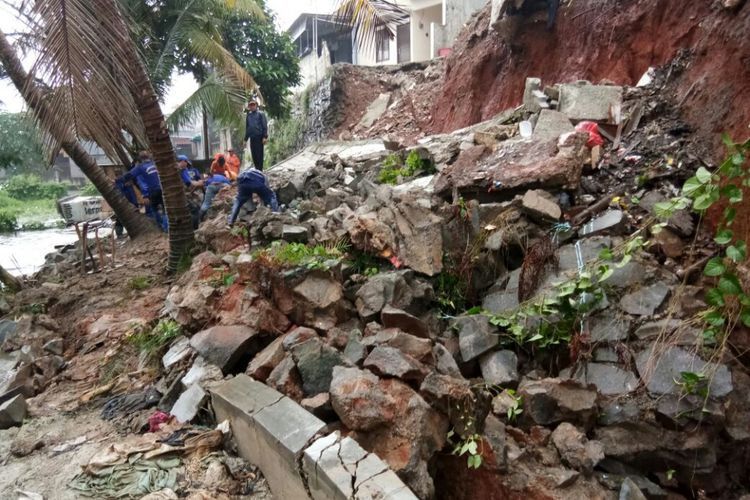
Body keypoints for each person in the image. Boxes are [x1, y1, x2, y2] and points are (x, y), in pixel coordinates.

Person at [117, 151, 167, 232]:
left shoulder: (140, 167)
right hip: (163, 189)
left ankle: (161, 227)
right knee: (165, 209)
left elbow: (129, 175)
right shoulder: (155, 164)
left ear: (140, 159)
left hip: (153, 191)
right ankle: (166, 228)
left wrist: (118, 180)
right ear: (149, 157)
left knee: (154, 209)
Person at [177, 154, 203, 228]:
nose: (186, 164)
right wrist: (199, 183)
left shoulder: (177, 168)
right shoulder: (182, 170)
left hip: (183, 193)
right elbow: (189, 183)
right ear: (182, 161)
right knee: (195, 210)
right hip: (182, 194)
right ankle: (194, 229)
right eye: (185, 162)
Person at [243, 98, 268, 170]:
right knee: (254, 155)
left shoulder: (261, 114)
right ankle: (257, 170)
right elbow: (248, 128)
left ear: (256, 105)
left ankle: (260, 171)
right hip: (252, 138)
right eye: (250, 105)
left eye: (253, 105)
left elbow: (264, 125)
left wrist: (265, 137)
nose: (252, 106)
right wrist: (245, 139)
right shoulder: (249, 116)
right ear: (249, 106)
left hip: (259, 138)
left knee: (259, 155)